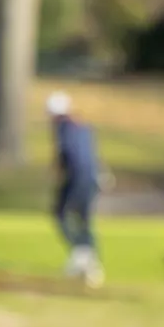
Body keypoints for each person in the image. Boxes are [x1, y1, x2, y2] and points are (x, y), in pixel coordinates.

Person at [46, 92, 104, 288]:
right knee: (85, 220)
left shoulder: (63, 127)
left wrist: (59, 172)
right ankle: (90, 265)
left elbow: (67, 154)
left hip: (77, 178)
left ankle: (81, 254)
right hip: (93, 177)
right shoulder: (83, 126)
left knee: (61, 214)